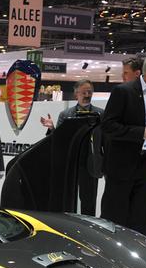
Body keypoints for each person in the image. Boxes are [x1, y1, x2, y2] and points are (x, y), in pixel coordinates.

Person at [100, 50, 146, 236]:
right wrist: (140, 133)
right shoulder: (123, 91)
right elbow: (108, 126)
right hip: (122, 165)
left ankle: (138, 252)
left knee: (141, 219)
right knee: (115, 217)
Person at [39, 79, 104, 215]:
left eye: (89, 92)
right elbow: (59, 140)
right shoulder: (66, 115)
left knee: (89, 201)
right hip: (70, 163)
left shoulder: (101, 114)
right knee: (67, 199)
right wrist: (52, 128)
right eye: (83, 92)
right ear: (76, 94)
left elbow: (105, 140)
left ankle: (88, 226)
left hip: (91, 163)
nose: (87, 95)